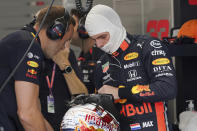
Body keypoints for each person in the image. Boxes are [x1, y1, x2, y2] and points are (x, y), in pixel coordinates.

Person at [85, 4, 177, 131]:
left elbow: (168, 88)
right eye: (94, 40)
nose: (99, 44)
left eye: (102, 37)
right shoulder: (101, 64)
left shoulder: (148, 46)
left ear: (114, 27)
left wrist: (119, 92)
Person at [0, 5, 86, 131]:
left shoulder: (26, 42)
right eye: (65, 40)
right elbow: (27, 115)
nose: (63, 48)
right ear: (55, 32)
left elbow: (35, 112)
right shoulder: (28, 46)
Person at [35, 6, 88, 131]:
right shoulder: (33, 56)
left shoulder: (67, 55)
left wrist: (64, 64)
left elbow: (82, 96)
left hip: (66, 125)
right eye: (64, 40)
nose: (64, 45)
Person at [70, 9, 105, 93]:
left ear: (84, 30)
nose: (68, 29)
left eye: (72, 24)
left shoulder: (102, 56)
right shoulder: (84, 54)